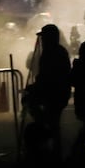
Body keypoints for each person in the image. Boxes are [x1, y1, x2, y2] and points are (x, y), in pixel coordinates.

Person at [23, 24, 71, 153]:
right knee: (53, 123)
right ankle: (53, 147)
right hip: (57, 93)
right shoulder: (57, 51)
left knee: (52, 121)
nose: (42, 40)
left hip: (54, 94)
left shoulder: (52, 53)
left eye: (44, 37)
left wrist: (35, 87)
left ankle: (51, 147)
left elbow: (48, 77)